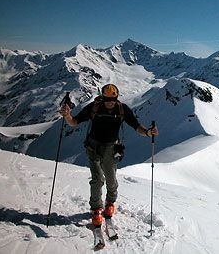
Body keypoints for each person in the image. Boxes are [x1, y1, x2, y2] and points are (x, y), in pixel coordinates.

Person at [59, 83, 158, 228]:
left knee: (111, 180)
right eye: (107, 99)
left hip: (111, 148)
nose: (110, 102)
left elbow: (137, 126)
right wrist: (67, 115)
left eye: (113, 99)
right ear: (103, 98)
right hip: (93, 147)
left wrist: (149, 132)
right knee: (97, 179)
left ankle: (110, 202)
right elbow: (74, 122)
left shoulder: (122, 109)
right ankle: (96, 209)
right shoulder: (94, 107)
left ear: (117, 98)